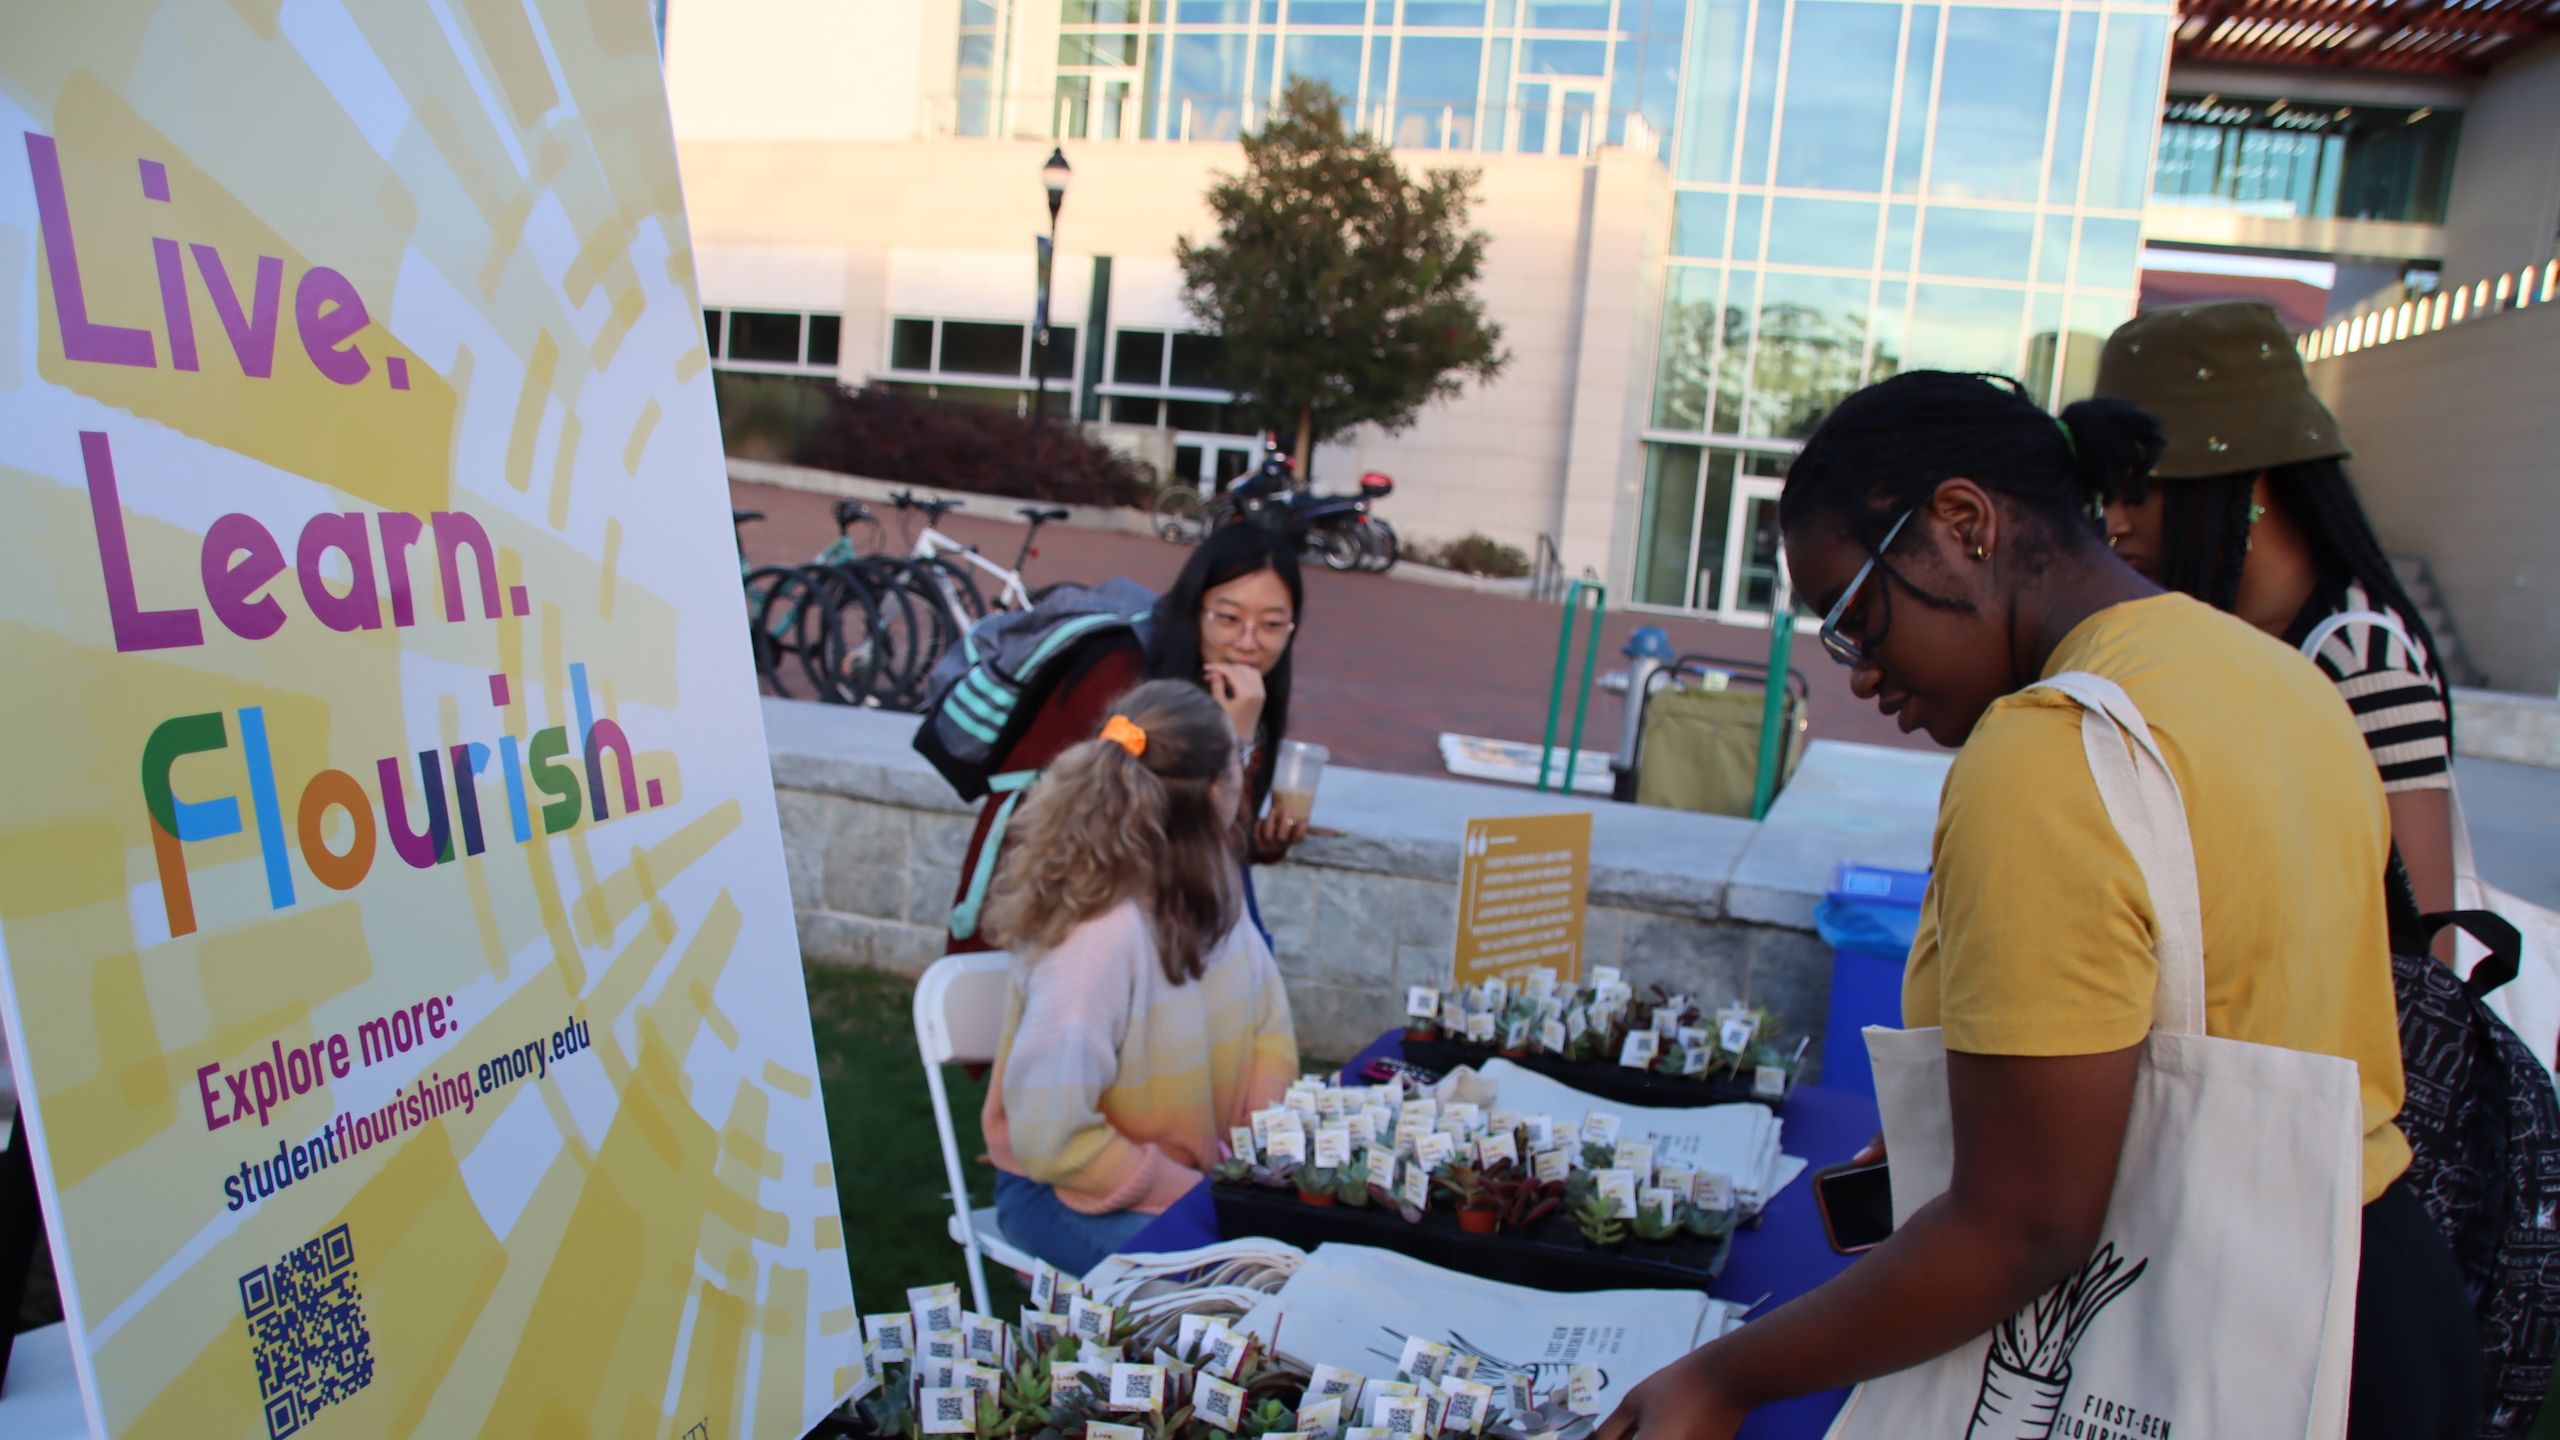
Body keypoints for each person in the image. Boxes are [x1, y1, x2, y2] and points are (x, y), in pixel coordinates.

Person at [1594, 371, 2479, 1440]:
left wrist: (1721, 1379)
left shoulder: (2049, 751)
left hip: (2208, 1342)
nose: (1861, 673)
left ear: (1962, 522)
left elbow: (2025, 1227)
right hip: (2371, 1298)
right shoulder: (2278, 678)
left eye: (1857, 616)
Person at [2091, 301, 2459, 959]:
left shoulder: (2361, 657)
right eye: (2105, 494)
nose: (2114, 521)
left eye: (2136, 487)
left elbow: (2428, 946)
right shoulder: (2195, 631)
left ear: (2244, 476)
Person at [978, 681, 1299, 1273]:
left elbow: (1268, 1032)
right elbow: (1052, 1141)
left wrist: (1257, 1169)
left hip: (1198, 1179)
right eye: (1242, 760)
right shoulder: (1096, 939)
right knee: (1252, 1292)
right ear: (1214, 790)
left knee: (1303, 1257)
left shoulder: (1216, 879)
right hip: (1059, 1190)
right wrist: (1192, 1196)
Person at [944, 522, 1309, 955]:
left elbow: (1211, 841)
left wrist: (1263, 843)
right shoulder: (1121, 675)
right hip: (1044, 891)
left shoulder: (1241, 697)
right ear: (1195, 610)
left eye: (1271, 625)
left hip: (1130, 912)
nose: (1248, 643)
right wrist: (1237, 742)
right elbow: (1159, 831)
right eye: (1228, 618)